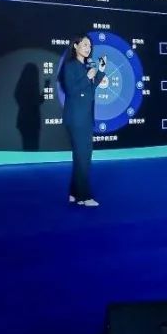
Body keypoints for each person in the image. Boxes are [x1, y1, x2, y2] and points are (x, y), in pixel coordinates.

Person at [60, 34, 104, 206]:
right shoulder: (70, 66)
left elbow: (90, 91)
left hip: (84, 117)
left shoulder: (85, 66)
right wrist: (87, 76)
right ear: (75, 46)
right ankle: (84, 197)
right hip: (77, 118)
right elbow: (71, 90)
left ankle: (74, 193)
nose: (88, 48)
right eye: (85, 45)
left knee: (80, 157)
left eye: (90, 46)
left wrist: (100, 71)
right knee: (83, 157)